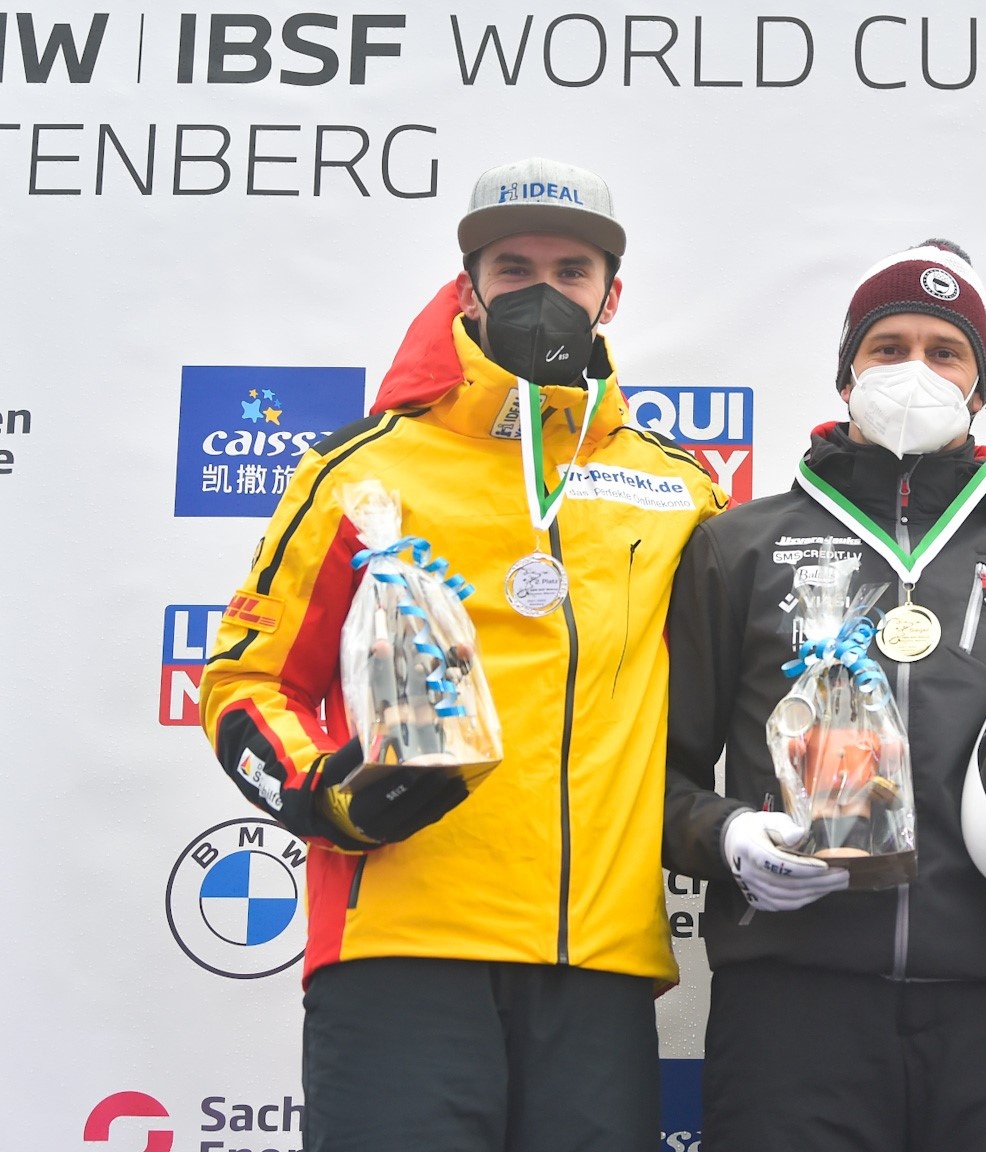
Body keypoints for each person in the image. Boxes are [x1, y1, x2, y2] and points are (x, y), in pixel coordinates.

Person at [196, 157, 728, 1152]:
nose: (542, 291)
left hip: (596, 964)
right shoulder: (361, 468)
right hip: (403, 949)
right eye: (511, 266)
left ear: (611, 294)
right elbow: (245, 681)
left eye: (570, 271)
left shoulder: (679, 488)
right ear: (468, 284)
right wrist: (324, 793)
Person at [661, 240, 986, 1151]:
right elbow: (656, 768)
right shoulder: (735, 546)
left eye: (945, 351)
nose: (914, 370)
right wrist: (726, 837)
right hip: (791, 1007)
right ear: (845, 372)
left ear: (980, 387)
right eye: (887, 347)